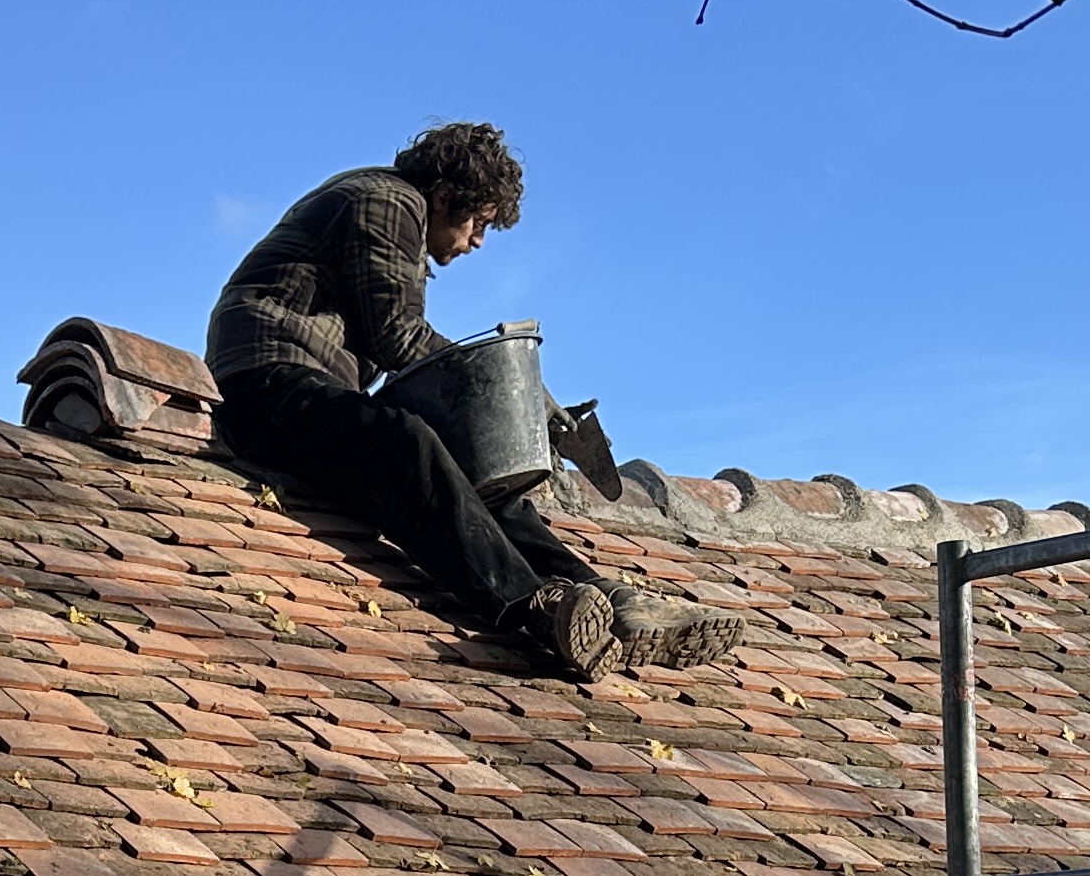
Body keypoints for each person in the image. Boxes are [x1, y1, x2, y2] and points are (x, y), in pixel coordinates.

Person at [205, 120, 723, 681]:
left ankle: (604, 597)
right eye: (478, 222)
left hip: (312, 393)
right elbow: (399, 338)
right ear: (446, 196)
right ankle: (536, 608)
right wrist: (513, 391)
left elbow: (407, 348)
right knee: (403, 440)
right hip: (265, 387)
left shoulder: (394, 212)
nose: (477, 241)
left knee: (467, 470)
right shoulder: (388, 202)